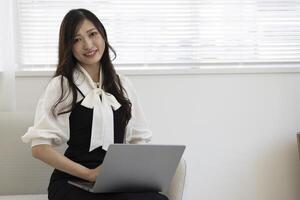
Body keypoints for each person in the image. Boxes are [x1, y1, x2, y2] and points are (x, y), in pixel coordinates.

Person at [21, 8, 168, 200]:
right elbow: (39, 148)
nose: (88, 44)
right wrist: (89, 174)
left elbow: (138, 140)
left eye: (92, 34)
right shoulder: (62, 85)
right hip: (72, 181)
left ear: (103, 35)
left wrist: (135, 175)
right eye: (76, 39)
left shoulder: (122, 84)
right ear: (69, 46)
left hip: (116, 180)